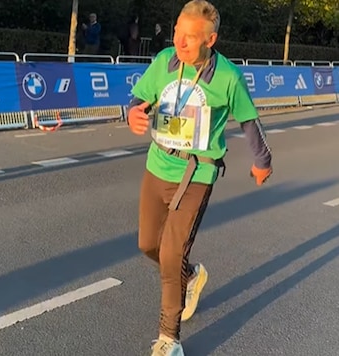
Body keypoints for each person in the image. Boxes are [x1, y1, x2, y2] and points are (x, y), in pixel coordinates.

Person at [126, 1, 273, 355]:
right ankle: (190, 277)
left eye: (192, 37)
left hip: (197, 173)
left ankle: (169, 339)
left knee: (172, 252)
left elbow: (249, 121)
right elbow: (138, 99)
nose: (181, 41)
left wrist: (262, 161)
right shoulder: (164, 62)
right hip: (157, 165)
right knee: (149, 245)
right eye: (178, 31)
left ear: (211, 39)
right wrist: (131, 113)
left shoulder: (227, 77)